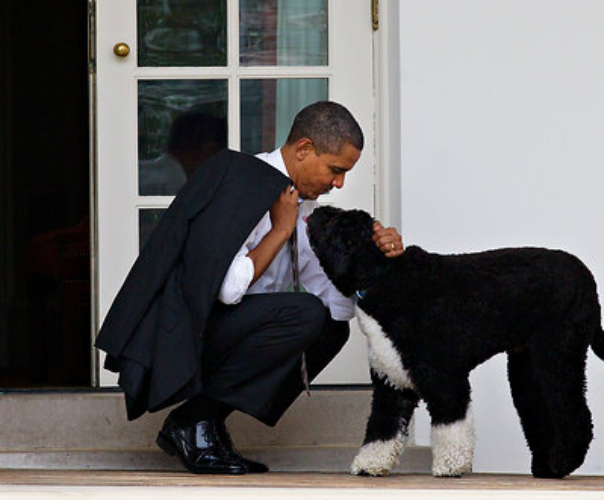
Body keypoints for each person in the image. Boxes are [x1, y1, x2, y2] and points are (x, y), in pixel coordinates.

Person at [95, 101, 404, 475]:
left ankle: (199, 419)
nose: (338, 184)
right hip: (180, 337)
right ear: (305, 149)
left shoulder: (299, 204)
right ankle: (192, 423)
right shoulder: (239, 179)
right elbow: (227, 290)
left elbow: (334, 304)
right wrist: (279, 231)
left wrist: (376, 259)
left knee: (329, 328)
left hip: (234, 331)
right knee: (303, 314)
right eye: (335, 170)